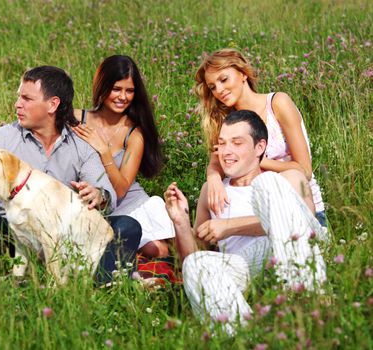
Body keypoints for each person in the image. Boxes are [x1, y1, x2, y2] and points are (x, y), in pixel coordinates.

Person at [0, 66, 141, 285]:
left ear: (53, 104)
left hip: (62, 236)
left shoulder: (80, 146)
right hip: (10, 230)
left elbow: (107, 195)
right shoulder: (3, 138)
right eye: (19, 97)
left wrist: (98, 195)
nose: (17, 104)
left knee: (127, 225)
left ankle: (102, 284)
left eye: (27, 98)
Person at [164, 110, 328, 335]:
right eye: (221, 144)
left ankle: (309, 305)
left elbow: (302, 226)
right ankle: (246, 337)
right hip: (242, 264)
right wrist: (180, 221)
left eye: (237, 143)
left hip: (285, 255)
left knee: (267, 184)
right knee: (196, 264)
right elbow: (195, 257)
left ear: (259, 147)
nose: (226, 151)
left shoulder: (286, 180)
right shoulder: (212, 191)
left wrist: (230, 227)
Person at [195, 48, 326, 226]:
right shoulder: (225, 120)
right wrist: (213, 179)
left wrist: (256, 160)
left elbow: (305, 170)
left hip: (295, 204)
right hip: (251, 207)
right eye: (212, 87)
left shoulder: (277, 104)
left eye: (223, 79)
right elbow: (215, 164)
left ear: (243, 74)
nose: (219, 90)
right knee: (207, 189)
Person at [72, 55, 174, 258]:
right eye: (116, 89)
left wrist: (104, 151)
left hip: (129, 205)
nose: (123, 97)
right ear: (102, 86)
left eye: (129, 91)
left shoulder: (134, 134)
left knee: (158, 250)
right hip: (90, 205)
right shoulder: (76, 119)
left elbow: (119, 191)